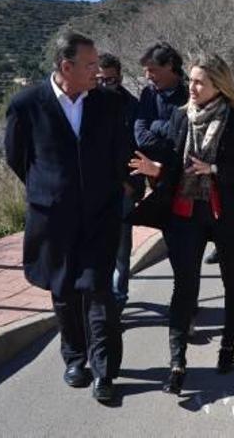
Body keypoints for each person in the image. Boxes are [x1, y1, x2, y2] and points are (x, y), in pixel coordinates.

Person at [4, 32, 128, 403]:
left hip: (101, 214)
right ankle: (75, 358)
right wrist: (49, 189)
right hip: (53, 219)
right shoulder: (27, 104)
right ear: (66, 67)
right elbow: (17, 157)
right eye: (90, 65)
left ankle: (105, 372)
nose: (98, 71)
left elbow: (120, 151)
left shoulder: (108, 103)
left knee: (99, 291)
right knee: (64, 291)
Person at [129, 53, 234, 396]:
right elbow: (173, 163)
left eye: (200, 81)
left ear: (219, 84)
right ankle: (177, 362)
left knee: (233, 279)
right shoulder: (180, 116)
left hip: (225, 211)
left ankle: (228, 345)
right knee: (185, 285)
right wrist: (156, 172)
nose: (192, 87)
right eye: (192, 80)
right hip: (186, 211)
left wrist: (213, 170)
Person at [97, 53, 141, 313]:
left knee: (121, 250)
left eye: (110, 80)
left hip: (123, 189)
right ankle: (100, 300)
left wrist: (128, 182)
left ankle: (117, 300)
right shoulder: (85, 103)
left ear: (120, 78)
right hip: (93, 191)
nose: (105, 85)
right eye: (100, 79)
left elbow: (138, 147)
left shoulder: (131, 106)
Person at [134, 42, 188, 161]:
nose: (147, 76)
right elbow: (140, 136)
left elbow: (185, 134)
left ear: (169, 65)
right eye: (145, 71)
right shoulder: (148, 93)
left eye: (151, 70)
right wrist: (169, 145)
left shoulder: (191, 92)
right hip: (153, 169)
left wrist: (154, 125)